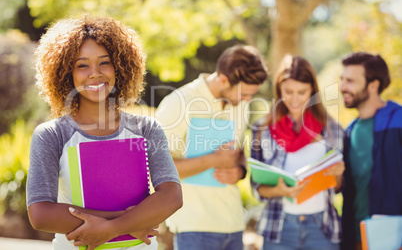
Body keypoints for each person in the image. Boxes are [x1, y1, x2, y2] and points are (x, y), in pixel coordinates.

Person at [26, 15, 183, 250]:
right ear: (65, 73)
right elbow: (40, 213)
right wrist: (126, 221)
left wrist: (110, 229)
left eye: (104, 62)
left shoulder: (147, 129)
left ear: (120, 67)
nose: (95, 73)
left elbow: (171, 196)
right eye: (82, 65)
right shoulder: (51, 135)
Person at [155, 45, 268, 250]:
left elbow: (238, 152)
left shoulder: (241, 103)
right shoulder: (179, 102)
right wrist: (213, 160)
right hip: (194, 226)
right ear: (223, 79)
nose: (248, 100)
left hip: (233, 223)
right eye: (245, 93)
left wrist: (240, 170)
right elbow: (158, 169)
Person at [250, 55, 345, 250]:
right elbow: (256, 187)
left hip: (322, 227)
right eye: (288, 91)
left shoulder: (332, 129)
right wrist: (280, 191)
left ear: (312, 90)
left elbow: (338, 188)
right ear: (279, 90)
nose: (294, 99)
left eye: (301, 92)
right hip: (279, 229)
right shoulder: (262, 129)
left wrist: (339, 174)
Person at [339, 52, 402, 250]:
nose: (342, 87)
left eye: (350, 81)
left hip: (393, 240)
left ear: (373, 85)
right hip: (355, 239)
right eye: (342, 79)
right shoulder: (348, 132)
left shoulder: (399, 121)